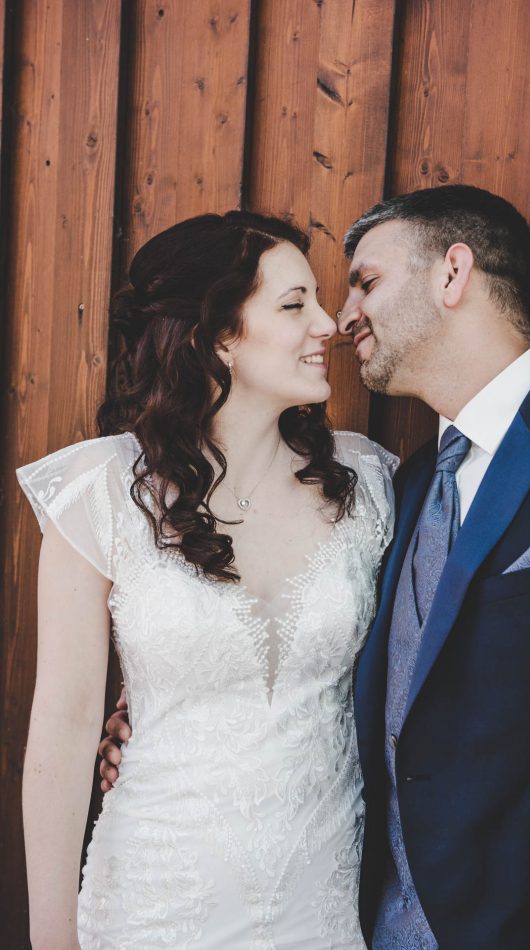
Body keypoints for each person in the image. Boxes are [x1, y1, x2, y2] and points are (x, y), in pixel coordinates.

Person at [101, 185, 530, 948]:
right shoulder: (399, 487)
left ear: (453, 274)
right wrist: (155, 705)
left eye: (367, 283)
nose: (344, 318)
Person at [18, 211, 398, 949]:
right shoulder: (101, 494)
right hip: (154, 898)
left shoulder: (371, 486)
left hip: (318, 903)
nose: (330, 324)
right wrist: (50, 938)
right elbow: (62, 731)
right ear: (215, 335)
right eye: (294, 305)